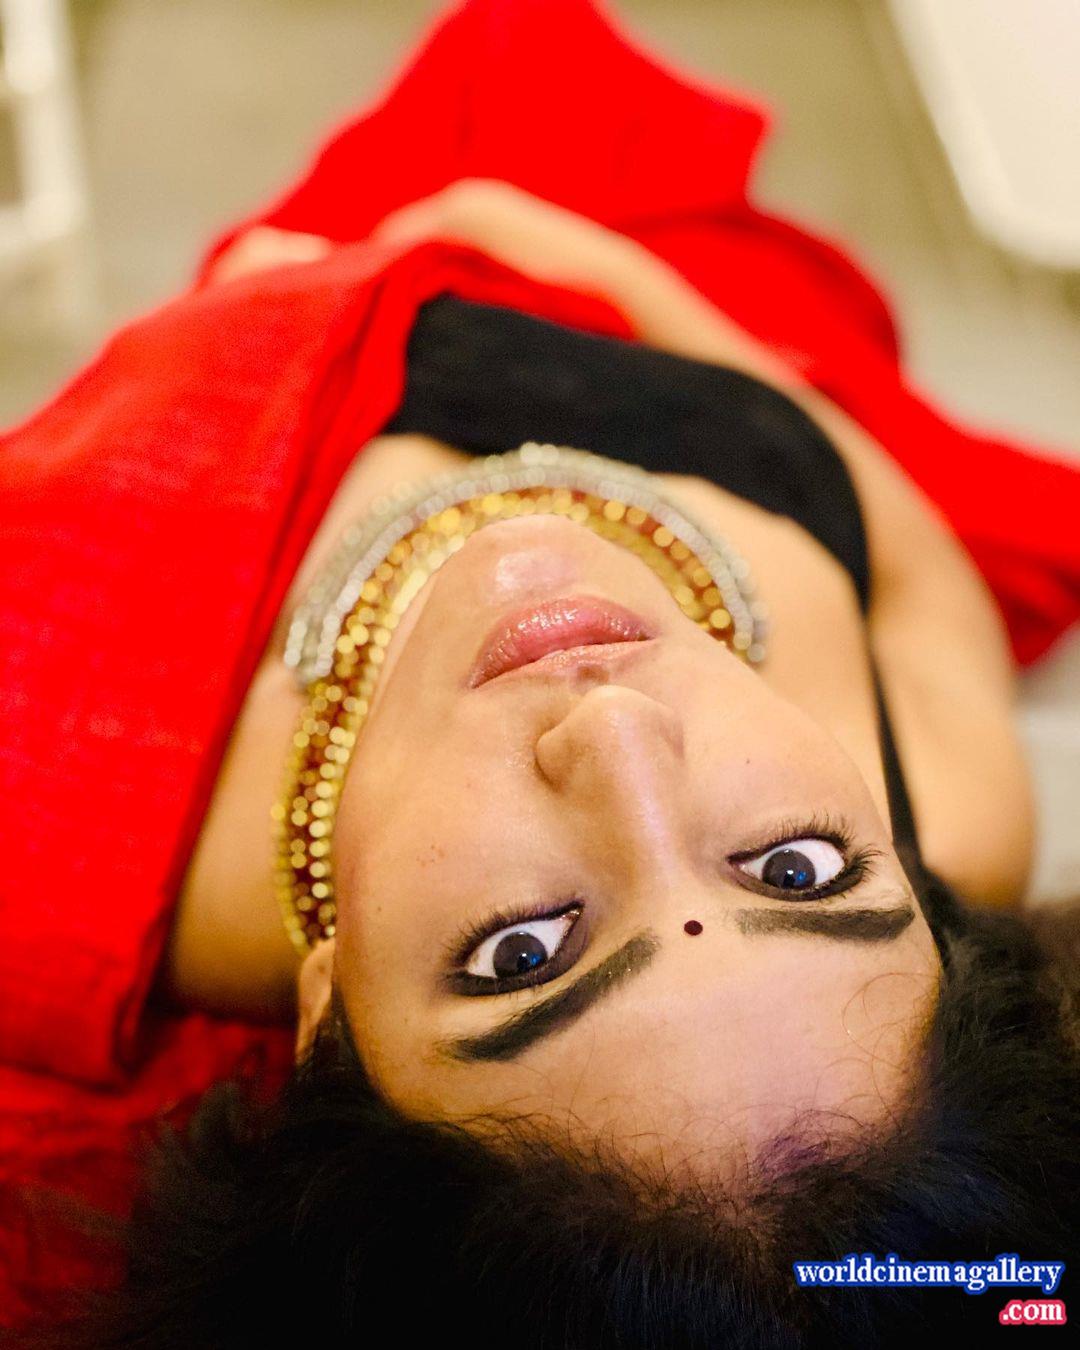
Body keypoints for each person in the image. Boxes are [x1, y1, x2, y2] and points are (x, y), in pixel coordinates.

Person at [2, 1, 1078, 1344]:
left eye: (523, 950)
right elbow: (922, 580)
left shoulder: (58, 758)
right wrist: (634, 292)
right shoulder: (952, 812)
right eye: (799, 871)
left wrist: (262, 313)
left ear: (330, 1023)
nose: (617, 733)